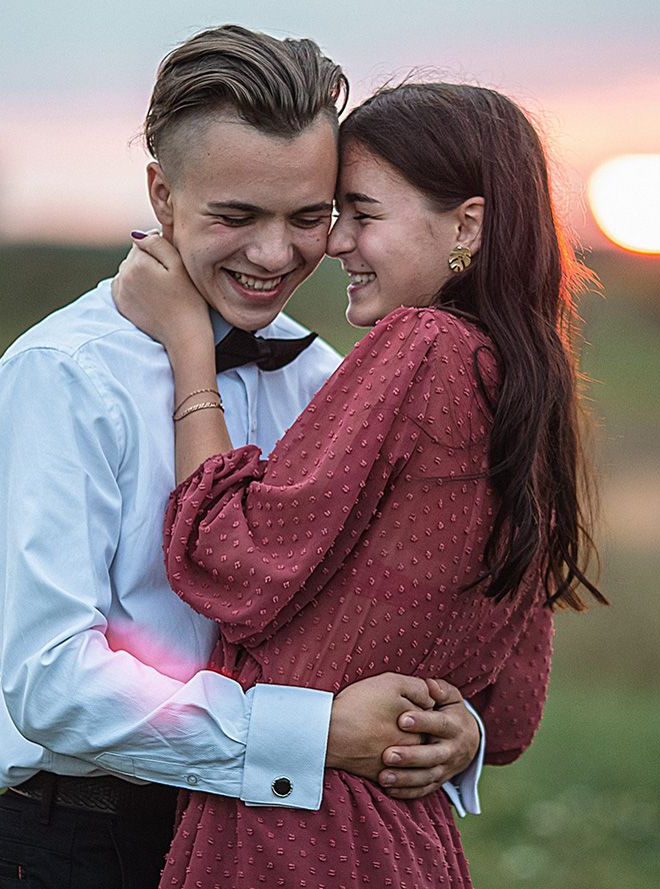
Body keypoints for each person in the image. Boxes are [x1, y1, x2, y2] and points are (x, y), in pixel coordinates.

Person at [0, 27, 487, 888]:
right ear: (163, 196)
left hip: (290, 846)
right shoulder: (59, 380)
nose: (276, 254)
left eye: (308, 217)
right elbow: (53, 682)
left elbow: (386, 612)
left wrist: (455, 730)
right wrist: (308, 736)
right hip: (95, 845)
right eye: (236, 216)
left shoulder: (329, 379)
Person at [113, 80, 603, 887]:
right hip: (409, 844)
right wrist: (463, 734)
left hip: (291, 837)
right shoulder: (529, 392)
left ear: (466, 227)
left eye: (363, 214)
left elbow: (224, 560)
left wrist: (184, 344)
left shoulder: (422, 345)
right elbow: (508, 717)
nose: (336, 241)